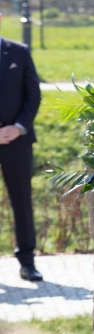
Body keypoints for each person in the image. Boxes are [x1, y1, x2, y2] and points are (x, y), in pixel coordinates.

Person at [0, 36, 42, 281]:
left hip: (17, 141)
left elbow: (33, 95)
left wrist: (18, 127)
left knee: (22, 202)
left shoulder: (20, 52)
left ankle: (27, 263)